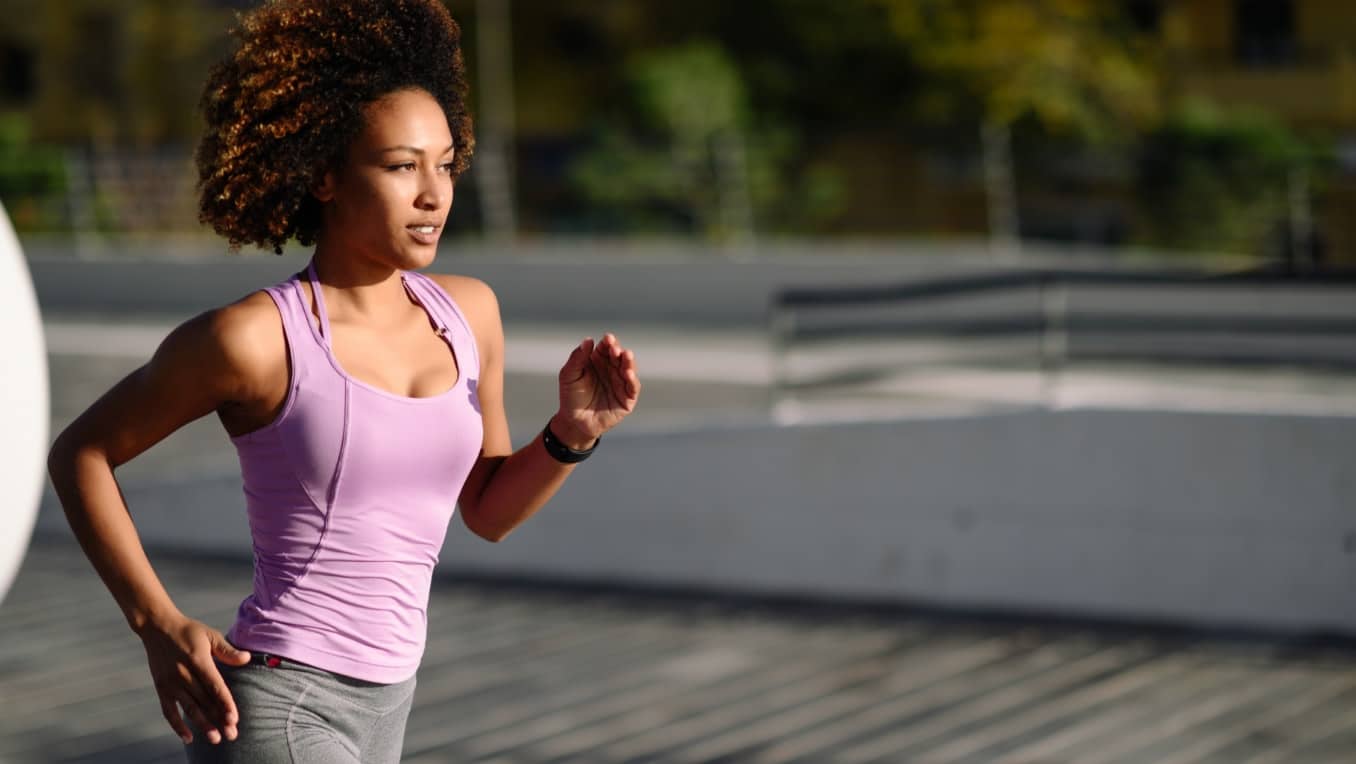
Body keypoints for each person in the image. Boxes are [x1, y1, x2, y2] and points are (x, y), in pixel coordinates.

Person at [44, 1, 640, 761]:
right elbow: (82, 453)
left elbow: (486, 512)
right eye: (401, 167)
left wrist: (571, 435)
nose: (435, 193)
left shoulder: (470, 314)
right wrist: (156, 624)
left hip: (391, 705)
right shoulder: (255, 338)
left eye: (446, 163)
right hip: (279, 701)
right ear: (325, 175)